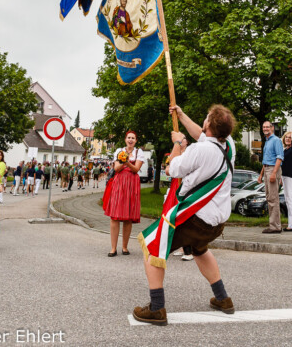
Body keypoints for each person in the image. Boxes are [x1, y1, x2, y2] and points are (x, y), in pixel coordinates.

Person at [133, 104, 236, 326]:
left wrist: (178, 144)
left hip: (195, 220)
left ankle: (157, 308)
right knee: (200, 250)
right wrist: (180, 115)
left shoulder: (198, 150)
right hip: (216, 224)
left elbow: (172, 170)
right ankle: (222, 299)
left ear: (209, 124)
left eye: (206, 118)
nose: (203, 122)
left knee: (152, 248)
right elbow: (200, 134)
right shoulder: (229, 146)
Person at [103, 130, 145, 257]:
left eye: (133, 138)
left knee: (128, 217)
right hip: (119, 183)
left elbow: (136, 169)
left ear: (136, 141)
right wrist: (123, 159)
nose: (130, 140)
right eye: (128, 138)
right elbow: (116, 168)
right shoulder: (119, 151)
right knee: (115, 216)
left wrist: (127, 162)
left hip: (132, 184)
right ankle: (113, 248)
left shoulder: (139, 152)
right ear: (125, 139)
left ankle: (125, 247)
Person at [257, 121, 284, 233]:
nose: (265, 128)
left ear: (272, 128)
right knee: (269, 198)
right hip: (267, 168)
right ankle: (273, 225)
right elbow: (266, 160)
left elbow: (280, 157)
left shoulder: (276, 140)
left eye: (267, 127)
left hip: (273, 169)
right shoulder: (267, 141)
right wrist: (261, 174)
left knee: (273, 198)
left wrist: (273, 173)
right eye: (264, 127)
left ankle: (275, 227)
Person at [281, 131, 292, 231]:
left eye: (290, 137)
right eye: (286, 137)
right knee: (288, 200)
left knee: (289, 201)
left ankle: (291, 225)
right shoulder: (285, 150)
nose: (288, 139)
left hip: (290, 177)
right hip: (284, 177)